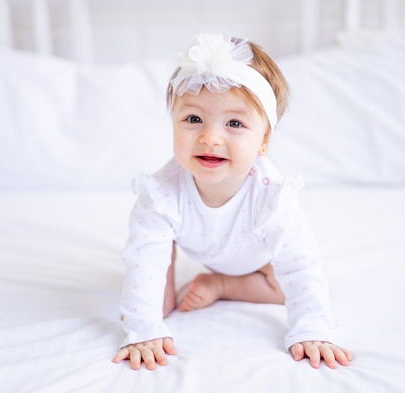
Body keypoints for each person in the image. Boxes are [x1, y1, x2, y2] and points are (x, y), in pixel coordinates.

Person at [112, 33, 352, 371]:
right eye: (193, 119)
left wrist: (311, 330)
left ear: (264, 139)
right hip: (203, 244)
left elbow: (301, 266)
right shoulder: (162, 193)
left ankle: (223, 285)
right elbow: (144, 257)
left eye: (235, 123)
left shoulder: (272, 198)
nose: (210, 137)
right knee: (154, 295)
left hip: (261, 259)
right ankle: (182, 291)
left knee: (286, 287)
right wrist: (143, 328)